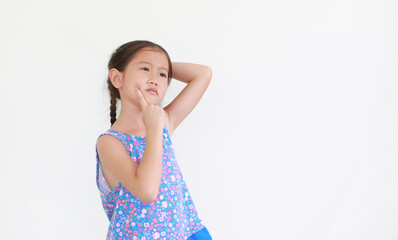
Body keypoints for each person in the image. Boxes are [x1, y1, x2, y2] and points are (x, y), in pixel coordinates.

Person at [95, 40, 213, 240]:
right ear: (117, 78)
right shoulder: (110, 142)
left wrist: (163, 64)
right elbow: (147, 191)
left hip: (184, 233)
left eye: (162, 74)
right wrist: (155, 128)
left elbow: (203, 74)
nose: (155, 79)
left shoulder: (163, 122)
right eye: (144, 68)